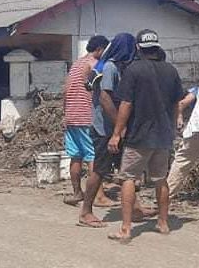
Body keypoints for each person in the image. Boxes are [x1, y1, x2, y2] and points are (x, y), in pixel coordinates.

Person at [107, 29, 184, 244]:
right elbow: (178, 101)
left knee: (128, 178)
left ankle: (126, 229)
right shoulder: (171, 70)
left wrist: (116, 134)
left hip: (139, 135)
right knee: (161, 180)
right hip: (163, 135)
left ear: (138, 48)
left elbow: (126, 104)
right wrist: (177, 121)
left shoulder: (134, 70)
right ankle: (163, 223)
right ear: (157, 47)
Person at [77, 33, 152, 228]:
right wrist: (120, 127)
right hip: (105, 129)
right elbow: (105, 99)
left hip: (116, 128)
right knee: (100, 170)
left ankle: (135, 208)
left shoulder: (121, 67)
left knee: (127, 170)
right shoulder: (110, 67)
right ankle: (86, 212)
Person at [62, 35, 114, 207]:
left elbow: (66, 90)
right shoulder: (96, 66)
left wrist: (66, 114)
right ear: (100, 49)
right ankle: (98, 196)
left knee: (76, 156)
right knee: (94, 157)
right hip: (87, 117)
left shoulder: (76, 65)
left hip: (71, 117)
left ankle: (77, 192)